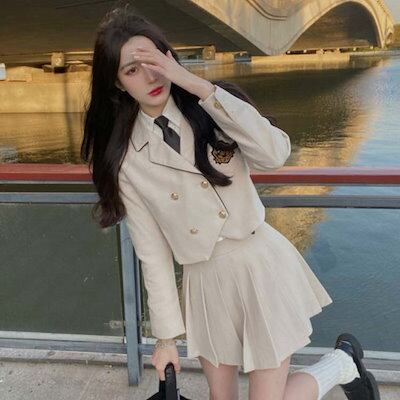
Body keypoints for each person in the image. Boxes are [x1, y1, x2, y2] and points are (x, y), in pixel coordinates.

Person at [81, 5, 380, 400]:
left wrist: (198, 85)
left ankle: (339, 364)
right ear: (118, 83)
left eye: (154, 61)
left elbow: (275, 154)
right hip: (203, 281)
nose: (150, 76)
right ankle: (342, 363)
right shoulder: (127, 159)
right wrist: (165, 338)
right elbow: (151, 252)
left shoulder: (214, 106)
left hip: (258, 265)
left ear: (168, 57)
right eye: (132, 70)